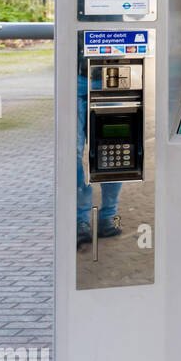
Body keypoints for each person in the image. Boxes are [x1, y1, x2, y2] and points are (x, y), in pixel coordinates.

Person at [76, 61, 122, 246]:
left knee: (111, 153)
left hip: (109, 78)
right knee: (72, 154)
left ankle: (107, 216)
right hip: (75, 77)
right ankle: (81, 219)